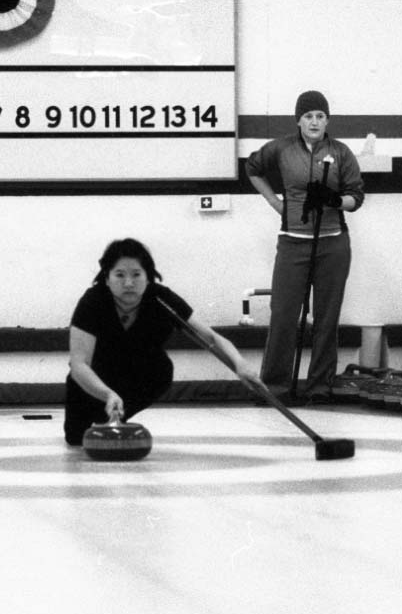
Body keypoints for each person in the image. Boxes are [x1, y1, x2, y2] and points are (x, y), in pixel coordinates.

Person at [64, 237, 262, 445]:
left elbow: (211, 337)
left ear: (148, 277)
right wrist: (107, 394)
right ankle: (110, 408)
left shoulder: (162, 299)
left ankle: (118, 414)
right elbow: (79, 365)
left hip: (141, 374)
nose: (129, 283)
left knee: (160, 370)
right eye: (120, 275)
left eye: (136, 274)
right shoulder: (93, 302)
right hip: (94, 379)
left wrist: (240, 364)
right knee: (77, 438)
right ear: (107, 278)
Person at [246, 89, 364, 402]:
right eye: (309, 116)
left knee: (326, 319)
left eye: (320, 116)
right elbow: (252, 168)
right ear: (298, 120)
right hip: (293, 243)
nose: (314, 121)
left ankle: (320, 387)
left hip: (332, 245)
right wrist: (276, 203)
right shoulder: (282, 149)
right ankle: (274, 386)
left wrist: (335, 199)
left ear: (327, 120)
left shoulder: (340, 153)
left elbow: (357, 198)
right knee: (284, 315)